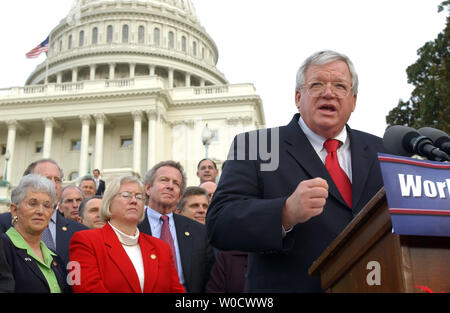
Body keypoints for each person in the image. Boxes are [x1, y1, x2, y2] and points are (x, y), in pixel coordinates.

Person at [206, 50, 386, 292]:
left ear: (353, 100)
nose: (328, 92)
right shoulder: (259, 146)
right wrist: (284, 213)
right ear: (298, 96)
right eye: (317, 84)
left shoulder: (381, 150)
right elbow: (220, 224)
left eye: (340, 86)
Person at [69, 175, 185, 293]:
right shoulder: (85, 241)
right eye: (126, 195)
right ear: (109, 203)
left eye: (139, 197)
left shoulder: (161, 248)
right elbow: (86, 289)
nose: (134, 201)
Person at [139, 161, 215, 293]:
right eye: (164, 180)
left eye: (176, 183)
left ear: (180, 196)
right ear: (148, 189)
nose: (170, 186)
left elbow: (208, 278)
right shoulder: (132, 227)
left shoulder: (199, 232)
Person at [0, 159, 88, 266]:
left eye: (57, 180)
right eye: (46, 179)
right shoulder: (2, 224)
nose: (53, 185)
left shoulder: (80, 232)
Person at [1, 174, 71, 293]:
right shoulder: (3, 247)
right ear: (14, 210)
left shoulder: (54, 257)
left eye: (47, 205)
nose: (40, 211)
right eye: (33, 204)